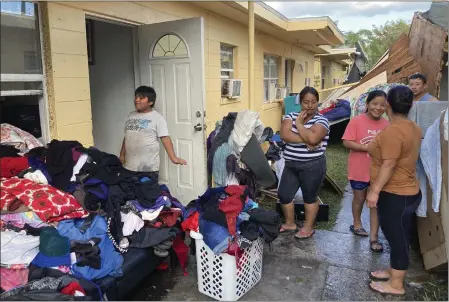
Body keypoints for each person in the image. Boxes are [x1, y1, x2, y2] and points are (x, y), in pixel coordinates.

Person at [366, 86, 422, 296]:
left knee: (396, 238)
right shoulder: (414, 127)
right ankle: (394, 271)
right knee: (399, 235)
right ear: (411, 105)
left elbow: (389, 165)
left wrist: (375, 191)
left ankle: (396, 285)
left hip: (396, 194)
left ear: (388, 104)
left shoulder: (393, 132)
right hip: (408, 193)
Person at [278, 86, 329, 239]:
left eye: (313, 102)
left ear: (317, 102)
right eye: (306, 102)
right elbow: (285, 135)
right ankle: (290, 223)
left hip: (312, 165)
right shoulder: (290, 115)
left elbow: (314, 138)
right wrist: (307, 139)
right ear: (300, 102)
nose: (310, 105)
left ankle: (308, 227)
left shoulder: (322, 120)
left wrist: (299, 126)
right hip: (291, 164)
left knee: (310, 196)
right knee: (284, 195)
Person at [342, 90, 389, 253]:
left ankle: (374, 237)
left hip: (378, 172)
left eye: (382, 105)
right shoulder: (356, 121)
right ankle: (357, 224)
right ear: (367, 104)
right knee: (359, 198)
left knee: (374, 202)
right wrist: (366, 148)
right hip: (359, 169)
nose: (378, 108)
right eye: (375, 104)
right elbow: (347, 142)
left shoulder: (386, 125)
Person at [119, 86, 186, 181]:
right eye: (136, 97)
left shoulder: (157, 118)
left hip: (148, 168)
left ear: (150, 102)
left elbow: (165, 138)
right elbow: (127, 137)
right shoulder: (131, 115)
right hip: (129, 166)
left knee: (147, 194)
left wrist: (173, 158)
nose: (137, 100)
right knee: (129, 194)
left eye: (141, 98)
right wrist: (122, 155)